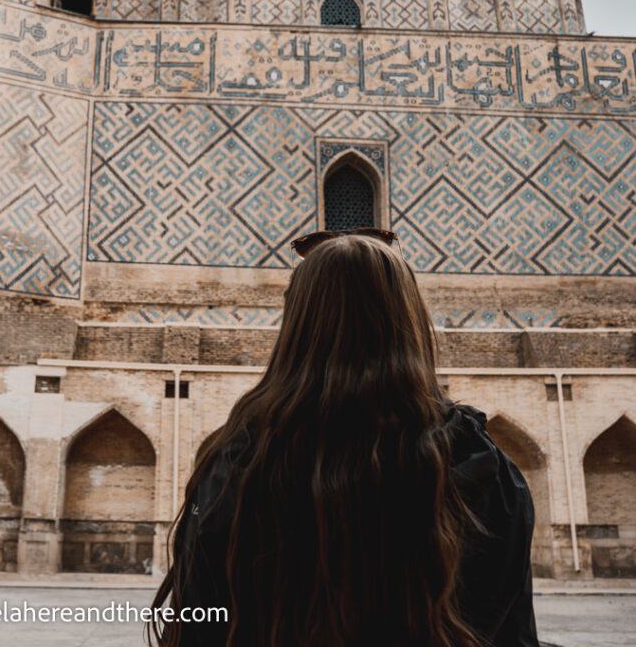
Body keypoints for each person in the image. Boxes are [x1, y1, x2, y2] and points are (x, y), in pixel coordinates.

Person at [149, 230, 540, 647]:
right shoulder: (481, 470)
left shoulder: (239, 468)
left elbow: (197, 626)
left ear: (298, 325)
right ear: (409, 318)